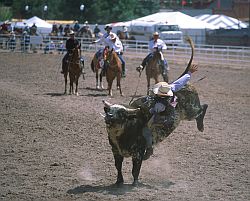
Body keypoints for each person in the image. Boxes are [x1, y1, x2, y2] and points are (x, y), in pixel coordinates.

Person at [142, 64, 208, 160]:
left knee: (150, 130)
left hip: (167, 119)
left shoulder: (159, 105)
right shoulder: (170, 88)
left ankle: (149, 148)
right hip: (171, 112)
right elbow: (180, 82)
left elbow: (153, 112)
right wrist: (189, 72)